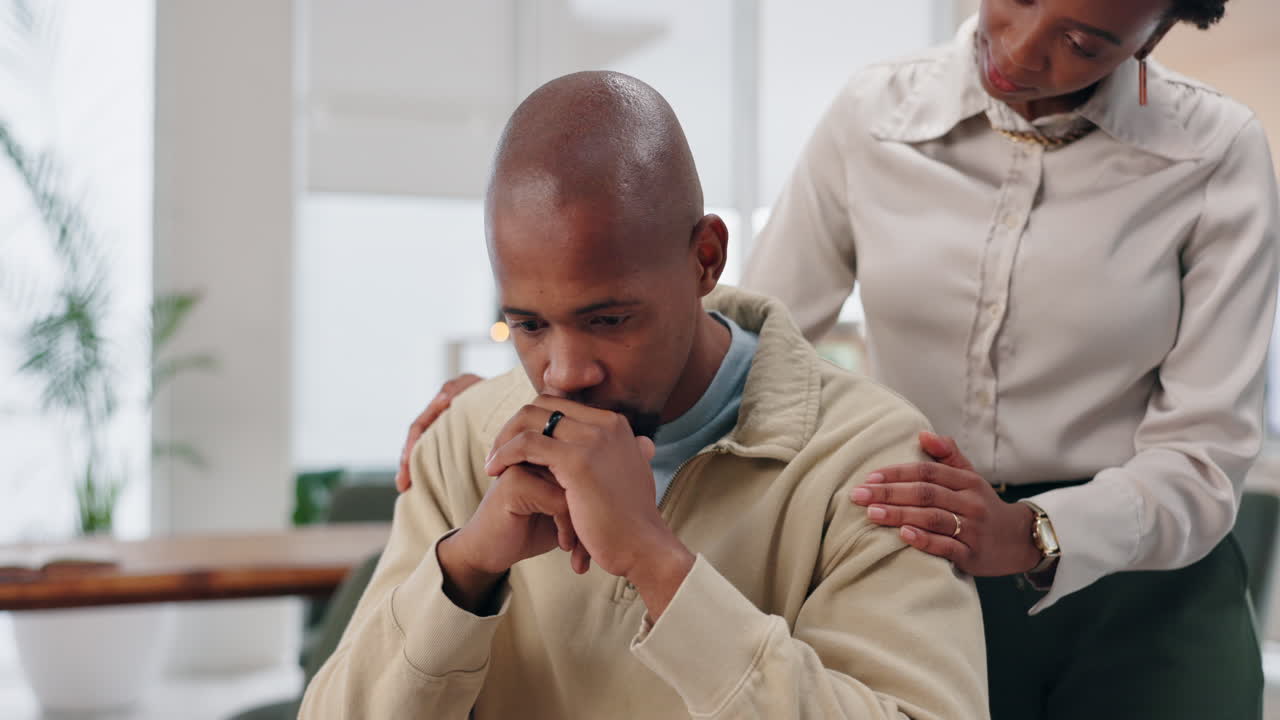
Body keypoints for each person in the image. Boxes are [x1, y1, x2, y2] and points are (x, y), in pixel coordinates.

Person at [400, 2, 1280, 718]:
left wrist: (1029, 532)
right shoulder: (873, 117)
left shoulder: (1215, 155)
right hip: (917, 555)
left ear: (1153, 37)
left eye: (1083, 41)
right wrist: (534, 382)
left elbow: (1205, 461)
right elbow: (729, 317)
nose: (1016, 48)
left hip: (1142, 588)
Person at [301, 71, 989, 720]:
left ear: (705, 259)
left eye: (608, 320)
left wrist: (657, 565)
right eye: (529, 326)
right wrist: (465, 568)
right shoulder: (464, 440)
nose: (565, 373)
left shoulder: (870, 459)